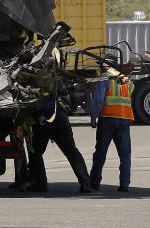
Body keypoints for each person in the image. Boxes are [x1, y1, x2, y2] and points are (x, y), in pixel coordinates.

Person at [26, 93, 92, 193]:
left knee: (36, 152)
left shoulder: (29, 88)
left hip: (43, 117)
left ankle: (40, 184)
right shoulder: (51, 88)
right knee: (71, 151)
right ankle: (85, 182)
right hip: (60, 114)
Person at [89, 62, 133, 192]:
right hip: (124, 120)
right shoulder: (126, 79)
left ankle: (95, 182)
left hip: (108, 119)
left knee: (101, 152)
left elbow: (98, 100)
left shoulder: (105, 78)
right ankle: (124, 184)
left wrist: (93, 117)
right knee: (125, 154)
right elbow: (130, 92)